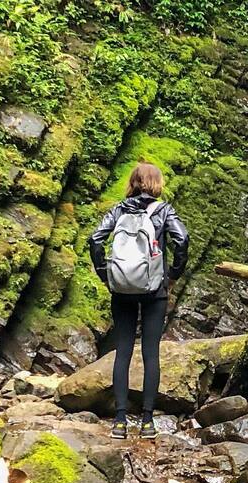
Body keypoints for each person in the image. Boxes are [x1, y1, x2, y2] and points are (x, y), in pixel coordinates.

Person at [89, 161, 189, 439]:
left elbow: (95, 239)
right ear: (157, 184)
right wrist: (173, 274)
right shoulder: (164, 210)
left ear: (132, 182)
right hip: (154, 289)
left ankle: (119, 421)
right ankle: (147, 422)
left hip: (122, 289)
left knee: (123, 352)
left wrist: (105, 275)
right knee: (150, 353)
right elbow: (182, 239)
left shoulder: (119, 209)